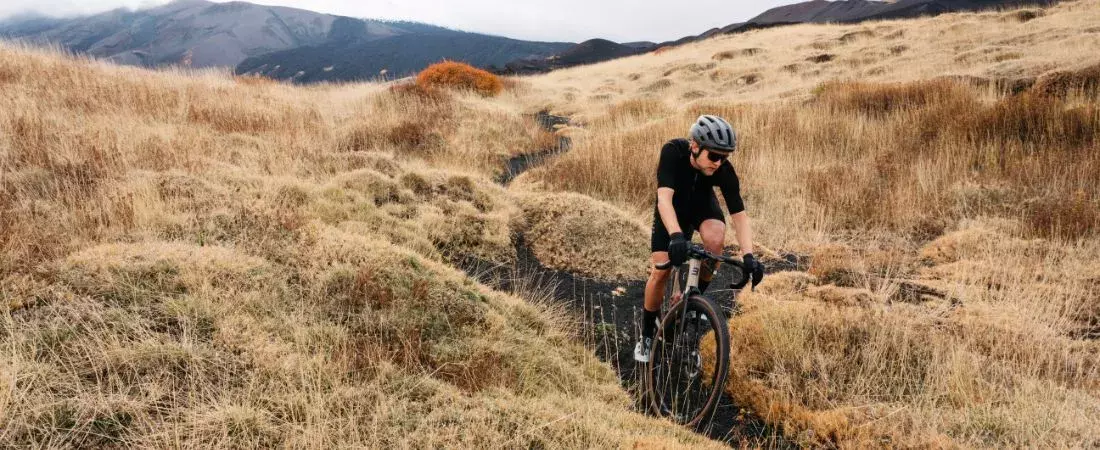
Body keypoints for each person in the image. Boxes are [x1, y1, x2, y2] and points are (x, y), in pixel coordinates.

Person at [634, 115, 764, 363]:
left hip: (702, 206)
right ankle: (648, 333)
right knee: (661, 270)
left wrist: (748, 255)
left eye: (724, 157)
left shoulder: (723, 170)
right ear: (695, 146)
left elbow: (739, 215)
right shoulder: (673, 152)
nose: (718, 163)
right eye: (713, 156)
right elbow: (664, 199)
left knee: (715, 241)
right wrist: (675, 236)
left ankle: (690, 299)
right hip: (672, 208)